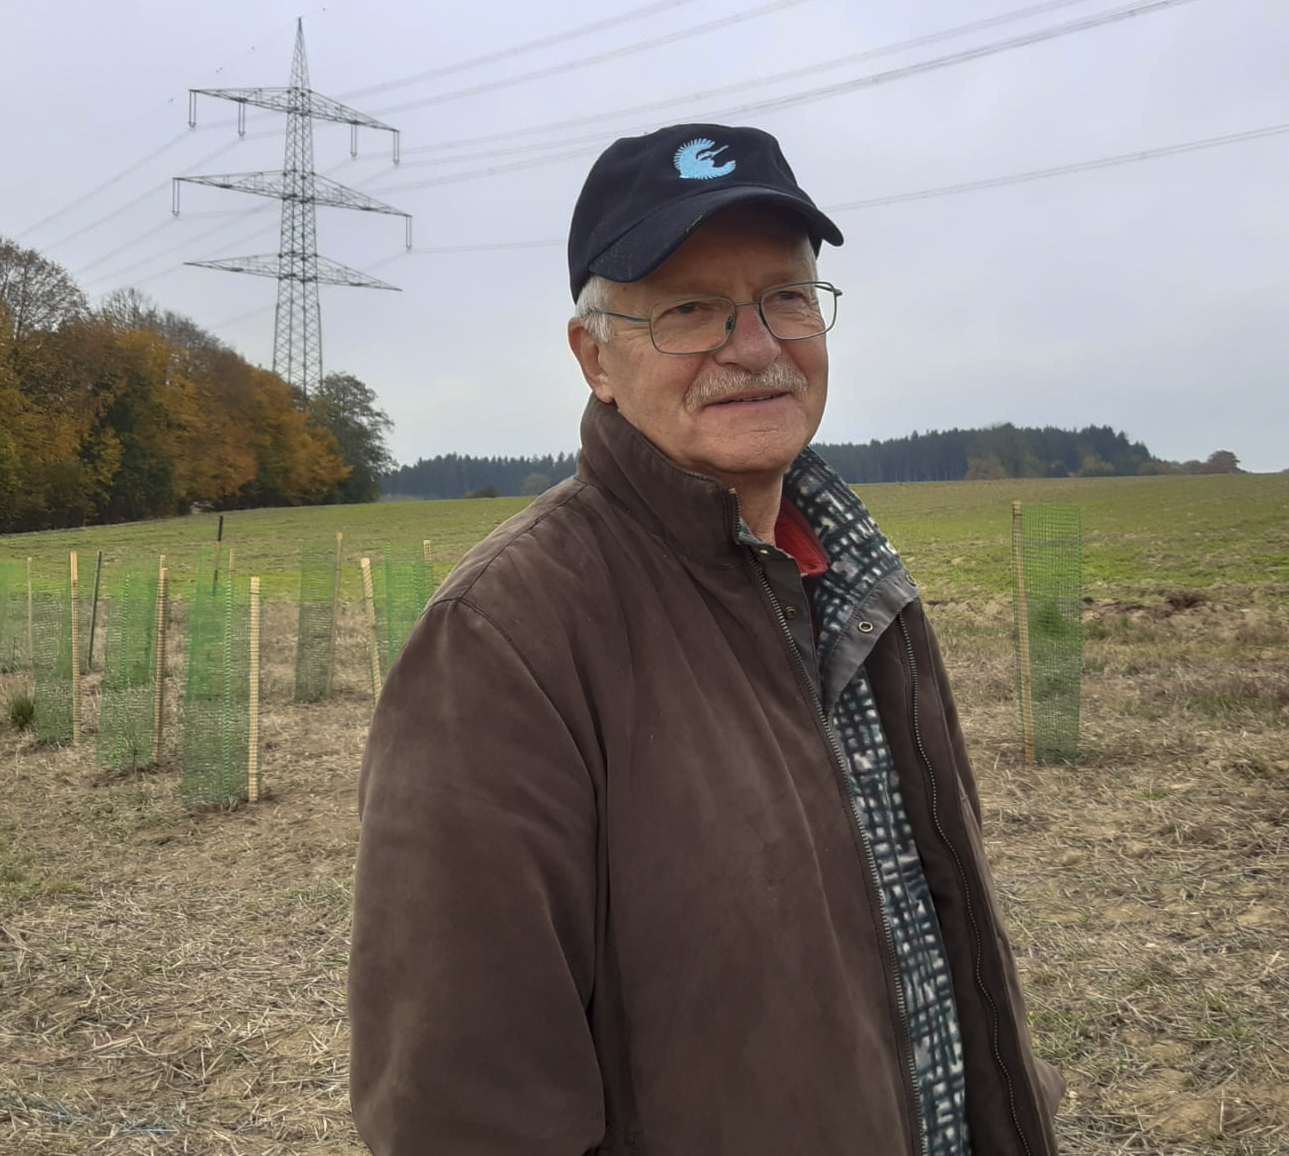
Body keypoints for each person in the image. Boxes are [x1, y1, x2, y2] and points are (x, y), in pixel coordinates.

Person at [348, 123, 1064, 1156]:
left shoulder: (866, 586)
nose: (755, 345)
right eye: (688, 309)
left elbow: (940, 947)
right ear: (594, 355)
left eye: (784, 295)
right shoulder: (502, 641)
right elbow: (461, 1113)